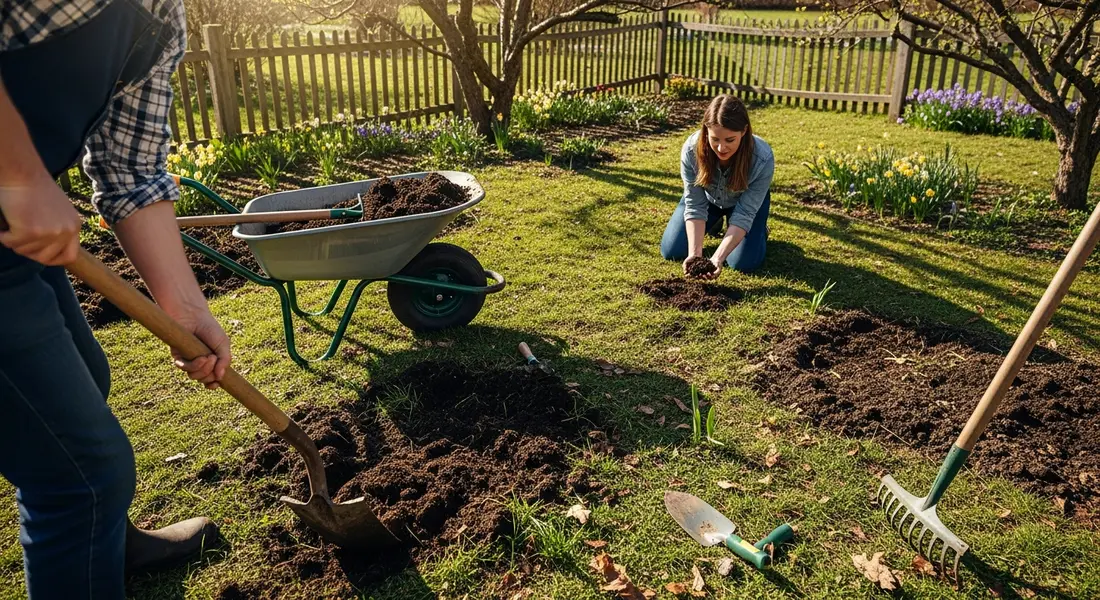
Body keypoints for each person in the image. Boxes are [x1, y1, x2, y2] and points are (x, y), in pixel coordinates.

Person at [0, 0, 230, 596]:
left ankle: (104, 543)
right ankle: (86, 526)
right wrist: (19, 174)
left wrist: (186, 306)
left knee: (85, 376)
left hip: (13, 239)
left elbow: (131, 169)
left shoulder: (159, 20)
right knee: (79, 475)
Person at [659, 94, 774, 278]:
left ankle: (759, 230)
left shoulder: (762, 158)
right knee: (671, 250)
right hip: (708, 200)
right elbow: (695, 205)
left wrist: (717, 258)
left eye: (730, 140)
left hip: (743, 205)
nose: (721, 148)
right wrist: (695, 256)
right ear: (706, 130)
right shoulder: (691, 150)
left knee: (742, 263)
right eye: (715, 139)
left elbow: (745, 213)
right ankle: (713, 222)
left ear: (744, 131)